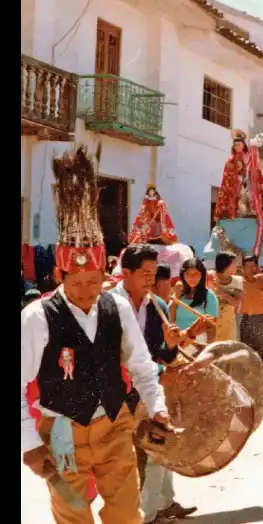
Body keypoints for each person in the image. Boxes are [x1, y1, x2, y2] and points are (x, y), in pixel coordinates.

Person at [21, 145, 175, 524]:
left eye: (95, 281)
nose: (89, 291)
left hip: (114, 425)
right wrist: (29, 445)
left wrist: (158, 408)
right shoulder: (37, 316)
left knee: (126, 515)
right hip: (60, 433)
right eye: (78, 283)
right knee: (73, 516)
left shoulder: (116, 308)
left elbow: (142, 367)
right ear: (59, 276)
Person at [112, 245, 197, 524]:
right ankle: (137, 513)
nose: (151, 280)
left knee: (157, 447)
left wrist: (171, 347)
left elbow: (160, 353)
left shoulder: (158, 306)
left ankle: (157, 507)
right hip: (118, 394)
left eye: (153, 274)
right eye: (144, 274)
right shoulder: (107, 305)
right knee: (123, 460)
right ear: (126, 273)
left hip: (148, 391)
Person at [214, 130, 263, 221]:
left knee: (249, 197)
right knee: (239, 201)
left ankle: (251, 212)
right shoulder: (230, 162)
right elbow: (227, 179)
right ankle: (239, 213)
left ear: (243, 146)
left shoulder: (249, 157)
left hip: (248, 182)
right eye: (235, 145)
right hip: (236, 185)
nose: (237, 147)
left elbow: (254, 169)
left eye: (239, 145)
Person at [239, 255, 263, 377]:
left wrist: (262, 277)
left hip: (262, 318)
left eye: (253, 265)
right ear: (243, 268)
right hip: (246, 319)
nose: (251, 269)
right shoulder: (239, 281)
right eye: (247, 266)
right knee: (247, 353)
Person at [171, 258, 219, 345]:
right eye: (188, 274)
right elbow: (170, 319)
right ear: (182, 275)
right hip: (179, 340)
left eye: (196, 274)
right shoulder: (178, 293)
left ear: (202, 275)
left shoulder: (209, 296)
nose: (191, 277)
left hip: (199, 342)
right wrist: (176, 297)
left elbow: (211, 327)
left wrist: (207, 347)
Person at [211, 252, 243, 342]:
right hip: (211, 320)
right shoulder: (210, 277)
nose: (237, 265)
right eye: (235, 263)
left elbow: (236, 303)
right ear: (226, 264)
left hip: (228, 321)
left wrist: (220, 292)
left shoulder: (237, 281)